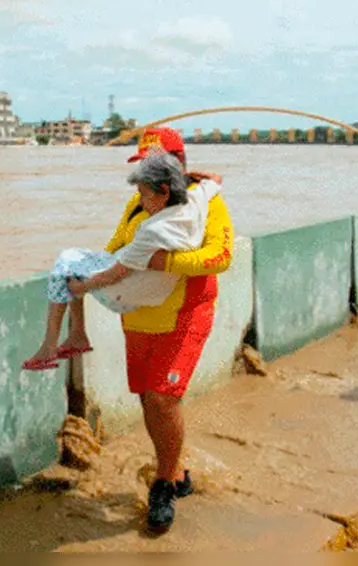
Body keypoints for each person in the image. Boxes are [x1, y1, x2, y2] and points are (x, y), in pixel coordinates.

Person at [71, 127, 234, 534]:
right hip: (139, 317)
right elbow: (114, 250)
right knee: (148, 397)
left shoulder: (207, 203)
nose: (143, 175)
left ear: (176, 165)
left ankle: (163, 483)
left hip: (184, 314)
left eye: (151, 166)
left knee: (162, 398)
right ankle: (176, 474)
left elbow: (220, 256)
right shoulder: (136, 204)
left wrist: (163, 263)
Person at [22, 150, 223, 370]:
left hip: (126, 294)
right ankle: (77, 335)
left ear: (164, 191)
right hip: (157, 290)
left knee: (65, 263)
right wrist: (189, 175)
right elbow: (215, 180)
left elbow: (115, 274)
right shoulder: (195, 202)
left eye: (144, 194)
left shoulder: (154, 230)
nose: (142, 202)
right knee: (77, 262)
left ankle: (49, 347)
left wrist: (81, 287)